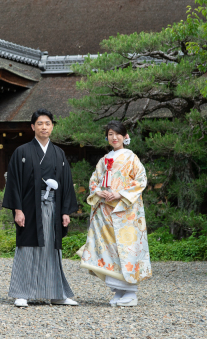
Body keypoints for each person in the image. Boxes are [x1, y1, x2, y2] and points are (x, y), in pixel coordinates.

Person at [3, 109, 78, 308]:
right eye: (40, 123)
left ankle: (56, 293)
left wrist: (65, 211)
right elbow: (14, 183)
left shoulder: (58, 153)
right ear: (32, 127)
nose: (44, 127)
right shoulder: (22, 152)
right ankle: (22, 292)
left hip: (53, 207)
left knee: (52, 249)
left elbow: (66, 183)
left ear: (52, 126)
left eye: (47, 123)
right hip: (29, 208)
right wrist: (18, 210)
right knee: (27, 248)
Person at [78, 120, 152, 307]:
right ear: (107, 137)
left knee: (126, 249)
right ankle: (119, 290)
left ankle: (131, 292)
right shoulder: (104, 160)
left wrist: (119, 193)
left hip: (125, 211)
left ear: (125, 137)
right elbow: (94, 180)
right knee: (110, 249)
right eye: (110, 134)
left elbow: (141, 180)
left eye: (118, 133)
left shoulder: (131, 157)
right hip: (105, 211)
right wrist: (98, 192)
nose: (114, 137)